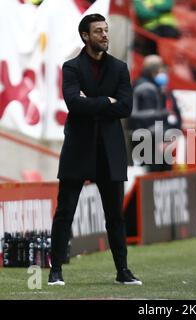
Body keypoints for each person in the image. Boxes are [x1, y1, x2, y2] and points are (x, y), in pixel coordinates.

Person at [48, 14, 142, 286]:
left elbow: (125, 107)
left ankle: (122, 271)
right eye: (98, 31)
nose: (104, 35)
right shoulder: (71, 67)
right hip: (78, 149)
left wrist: (94, 102)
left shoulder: (120, 68)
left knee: (115, 216)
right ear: (85, 37)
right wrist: (106, 102)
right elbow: (74, 104)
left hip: (110, 152)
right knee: (65, 212)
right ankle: (56, 272)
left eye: (106, 30)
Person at [129, 54, 182, 172]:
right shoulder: (146, 89)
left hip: (154, 140)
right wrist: (162, 139)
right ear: (155, 70)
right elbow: (148, 119)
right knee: (154, 176)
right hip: (150, 142)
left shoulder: (156, 87)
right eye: (162, 69)